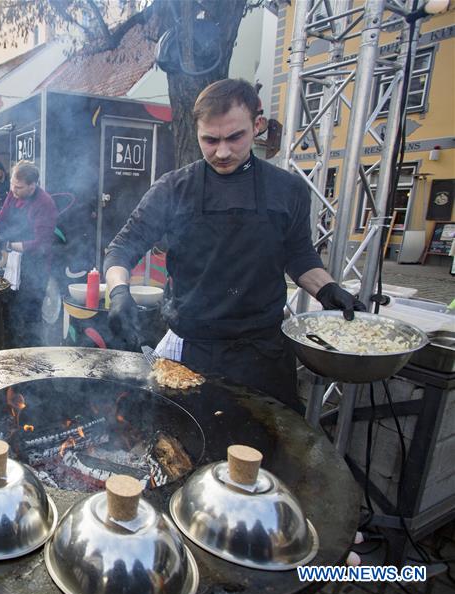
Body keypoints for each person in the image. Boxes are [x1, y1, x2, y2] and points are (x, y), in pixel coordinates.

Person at [104, 79, 365, 410]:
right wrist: (118, 294)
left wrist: (329, 291)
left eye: (234, 137)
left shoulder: (288, 190)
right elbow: (122, 248)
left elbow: (299, 256)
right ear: (196, 130)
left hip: (263, 353)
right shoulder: (174, 188)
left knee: (270, 453)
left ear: (257, 125)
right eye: (210, 140)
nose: (222, 151)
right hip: (193, 349)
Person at [0, 160, 58, 347]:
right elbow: (2, 219)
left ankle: (32, 358)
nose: (13, 190)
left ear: (32, 186)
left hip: (36, 268)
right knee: (9, 312)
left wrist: (10, 244)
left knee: (29, 318)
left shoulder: (45, 203)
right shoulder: (12, 194)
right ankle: (7, 352)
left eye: (18, 187)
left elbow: (41, 243)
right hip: (13, 265)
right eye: (12, 185)